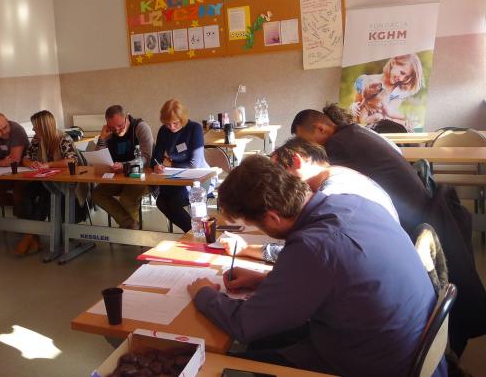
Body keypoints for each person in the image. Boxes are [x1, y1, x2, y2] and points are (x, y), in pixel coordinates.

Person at [187, 156, 445, 377]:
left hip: (371, 365)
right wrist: (262, 280)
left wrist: (203, 293)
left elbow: (245, 325)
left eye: (254, 224)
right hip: (408, 349)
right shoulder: (352, 203)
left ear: (272, 217)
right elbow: (339, 279)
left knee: (224, 363)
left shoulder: (314, 246)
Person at [223, 137, 399, 263]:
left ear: (296, 160)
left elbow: (307, 253)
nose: (276, 184)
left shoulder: (331, 195)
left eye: (279, 175)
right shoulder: (340, 174)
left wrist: (246, 249)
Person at [291, 103, 428, 233]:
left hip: (410, 220)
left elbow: (321, 188)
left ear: (321, 129)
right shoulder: (355, 131)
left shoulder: (337, 144)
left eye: (305, 142)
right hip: (421, 206)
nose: (306, 148)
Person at [18, 110, 81, 256]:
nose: (33, 129)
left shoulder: (63, 138)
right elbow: (26, 158)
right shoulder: (37, 139)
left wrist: (49, 164)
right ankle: (34, 235)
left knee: (47, 196)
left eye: (35, 126)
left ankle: (30, 235)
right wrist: (31, 163)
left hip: (62, 181)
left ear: (44, 127)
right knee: (23, 193)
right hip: (44, 178)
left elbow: (72, 160)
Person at [151, 99, 209, 232]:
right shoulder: (163, 131)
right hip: (173, 178)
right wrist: (156, 165)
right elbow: (156, 157)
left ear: (182, 119)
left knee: (174, 203)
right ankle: (192, 231)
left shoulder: (194, 128)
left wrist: (170, 163)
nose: (171, 127)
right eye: (167, 124)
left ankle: (194, 232)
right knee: (161, 202)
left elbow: (194, 163)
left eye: (175, 123)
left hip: (198, 179)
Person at [92, 105, 153, 229]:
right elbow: (98, 159)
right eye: (112, 127)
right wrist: (102, 139)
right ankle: (130, 224)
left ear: (127, 117)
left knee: (127, 198)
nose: (117, 130)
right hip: (119, 177)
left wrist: (124, 166)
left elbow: (146, 158)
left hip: (142, 177)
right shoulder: (109, 133)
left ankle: (130, 230)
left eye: (120, 125)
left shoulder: (140, 128)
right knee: (97, 194)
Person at [0, 113, 30, 210]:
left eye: (5, 127)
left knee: (19, 195)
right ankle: (23, 207)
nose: (3, 132)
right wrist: (1, 163)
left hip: (24, 170)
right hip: (4, 172)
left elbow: (14, 161)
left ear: (7, 121)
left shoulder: (17, 130)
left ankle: (26, 209)